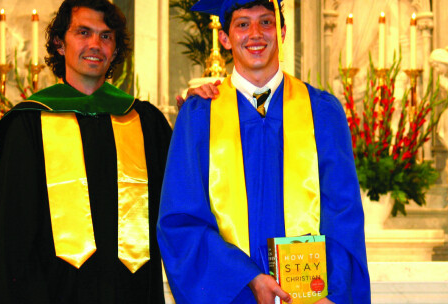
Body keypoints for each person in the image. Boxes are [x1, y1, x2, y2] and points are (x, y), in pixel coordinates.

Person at [157, 0, 371, 303]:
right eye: (243, 24)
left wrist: (331, 292)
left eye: (266, 22)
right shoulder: (199, 116)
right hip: (234, 295)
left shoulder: (322, 111)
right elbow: (180, 220)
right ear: (225, 38)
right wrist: (248, 278)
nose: (255, 33)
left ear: (282, 32)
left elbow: (343, 214)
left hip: (312, 297)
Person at [0, 0, 171, 303]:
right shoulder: (28, 124)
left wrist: (197, 112)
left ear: (115, 49)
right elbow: (11, 239)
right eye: (83, 33)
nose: (95, 44)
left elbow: (181, 206)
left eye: (105, 36)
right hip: (50, 294)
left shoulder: (146, 123)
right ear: (60, 44)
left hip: (130, 294)